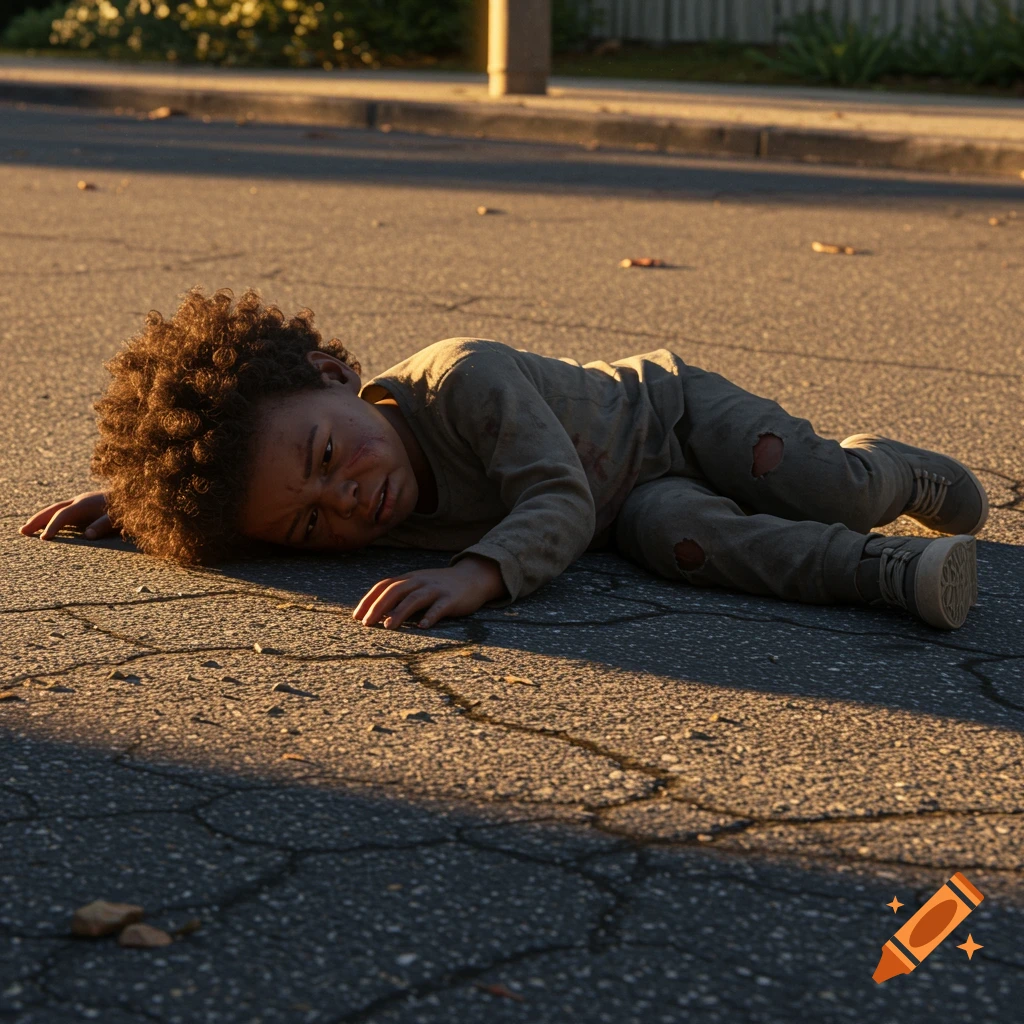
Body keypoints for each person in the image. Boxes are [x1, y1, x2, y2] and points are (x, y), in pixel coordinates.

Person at [21, 288, 987, 632]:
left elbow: (556, 494)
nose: (348, 500)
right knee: (689, 540)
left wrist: (477, 574)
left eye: (329, 454)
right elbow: (248, 504)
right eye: (309, 522)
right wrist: (143, 508)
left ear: (335, 374)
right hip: (631, 502)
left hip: (673, 417)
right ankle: (895, 574)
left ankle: (896, 473)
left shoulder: (462, 378)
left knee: (816, 484)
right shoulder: (319, 489)